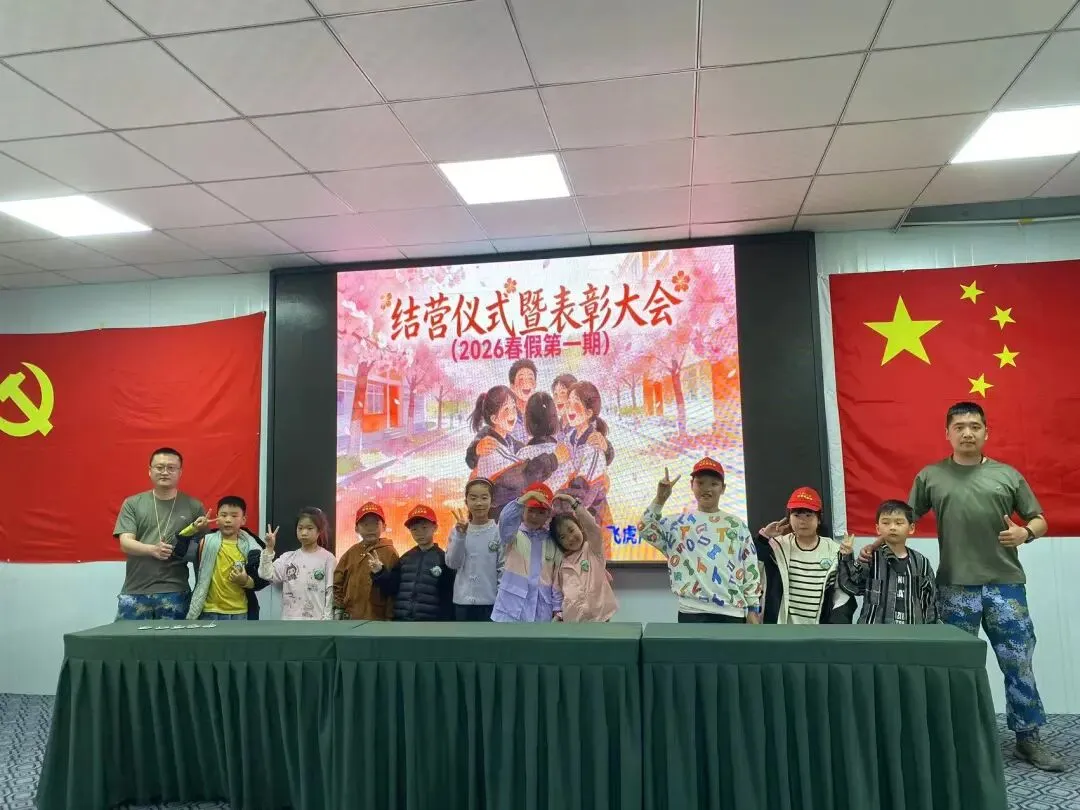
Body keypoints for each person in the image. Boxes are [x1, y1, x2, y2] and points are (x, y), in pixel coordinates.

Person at [887, 401, 1062, 770]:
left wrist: (1025, 533)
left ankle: (1028, 739)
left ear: (986, 432)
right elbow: (902, 520)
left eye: (975, 426)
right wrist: (875, 544)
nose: (967, 433)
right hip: (954, 588)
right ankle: (953, 738)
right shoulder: (931, 476)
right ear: (947, 433)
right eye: (960, 427)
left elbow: (1040, 519)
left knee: (1018, 663)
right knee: (953, 667)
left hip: (1005, 587)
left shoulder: (1007, 475)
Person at [640, 458, 762, 624]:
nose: (707, 489)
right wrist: (660, 499)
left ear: (723, 488)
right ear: (692, 485)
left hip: (732, 612)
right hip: (691, 611)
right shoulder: (677, 524)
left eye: (714, 484)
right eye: (701, 483)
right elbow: (645, 528)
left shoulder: (736, 525)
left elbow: (750, 565)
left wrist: (753, 608)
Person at [113, 447, 205, 620]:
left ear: (180, 472)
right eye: (159, 467)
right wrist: (152, 550)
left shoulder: (194, 506)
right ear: (150, 471)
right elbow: (125, 543)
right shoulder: (133, 503)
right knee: (128, 638)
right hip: (135, 590)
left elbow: (202, 553)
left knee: (174, 639)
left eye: (171, 468)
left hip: (176, 591)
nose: (165, 472)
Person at [755, 486, 853, 624]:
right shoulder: (778, 546)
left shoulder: (833, 550)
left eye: (808, 515)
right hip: (782, 628)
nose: (802, 521)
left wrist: (847, 557)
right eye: (797, 515)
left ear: (819, 519)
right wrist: (765, 536)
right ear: (788, 518)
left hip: (819, 630)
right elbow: (753, 565)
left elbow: (843, 591)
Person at [837, 500, 938, 624]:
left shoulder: (921, 562)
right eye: (886, 523)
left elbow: (929, 602)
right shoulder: (870, 558)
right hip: (873, 630)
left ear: (911, 528)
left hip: (912, 631)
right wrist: (846, 555)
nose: (892, 527)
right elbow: (851, 586)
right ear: (877, 528)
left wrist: (930, 629)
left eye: (899, 523)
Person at [179, 495, 269, 621]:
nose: (228, 520)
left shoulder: (253, 547)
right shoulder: (205, 542)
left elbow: (265, 578)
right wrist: (194, 528)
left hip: (240, 612)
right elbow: (178, 551)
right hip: (208, 611)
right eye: (223, 515)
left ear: (243, 520)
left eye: (234, 516)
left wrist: (245, 581)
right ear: (216, 519)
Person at [492, 482, 563, 622]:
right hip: (510, 610)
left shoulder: (552, 541)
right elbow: (505, 520)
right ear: (523, 510)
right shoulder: (512, 535)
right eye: (531, 510)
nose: (535, 517)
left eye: (541, 512)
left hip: (541, 610)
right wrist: (524, 498)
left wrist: (557, 609)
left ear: (548, 515)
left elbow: (557, 579)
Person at [371, 504, 455, 621]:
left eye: (424, 527)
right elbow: (391, 588)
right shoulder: (405, 559)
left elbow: (449, 596)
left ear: (435, 528)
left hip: (432, 623)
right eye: (414, 529)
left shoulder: (444, 559)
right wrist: (379, 572)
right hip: (402, 621)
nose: (419, 533)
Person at [257, 507, 336, 620]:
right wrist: (269, 548)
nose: (304, 532)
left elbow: (330, 592)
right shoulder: (288, 558)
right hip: (290, 622)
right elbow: (265, 574)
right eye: (300, 528)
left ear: (319, 531)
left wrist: (327, 620)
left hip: (317, 622)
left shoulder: (328, 559)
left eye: (309, 528)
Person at [550, 494, 618, 622]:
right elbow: (557, 592)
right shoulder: (561, 563)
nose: (570, 538)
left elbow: (592, 528)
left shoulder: (592, 549)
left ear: (580, 527)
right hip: (573, 622)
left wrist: (573, 503)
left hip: (600, 619)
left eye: (571, 530)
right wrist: (558, 613)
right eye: (563, 537)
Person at [445, 479, 502, 622]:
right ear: (466, 502)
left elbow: (503, 568)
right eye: (473, 498)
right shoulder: (457, 530)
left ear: (492, 501)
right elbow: (453, 564)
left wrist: (501, 599)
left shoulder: (498, 532)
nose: (479, 503)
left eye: (484, 498)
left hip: (491, 603)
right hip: (462, 603)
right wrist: (460, 536)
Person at [464, 385, 524, 519]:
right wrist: (477, 449)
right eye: (506, 409)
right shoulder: (486, 435)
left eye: (514, 408)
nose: (512, 413)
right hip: (491, 502)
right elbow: (470, 458)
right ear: (494, 419)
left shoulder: (512, 441)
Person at [333, 502, 399, 620]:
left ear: (384, 526)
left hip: (377, 618)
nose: (370, 528)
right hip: (350, 617)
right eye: (365, 524)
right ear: (356, 528)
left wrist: (390, 617)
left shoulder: (390, 552)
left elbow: (394, 589)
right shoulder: (351, 552)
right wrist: (338, 608)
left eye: (375, 524)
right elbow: (338, 581)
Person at [507, 358, 538, 444]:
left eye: (530, 378)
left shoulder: (542, 415)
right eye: (521, 379)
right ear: (512, 386)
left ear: (535, 384)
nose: (526, 383)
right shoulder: (505, 416)